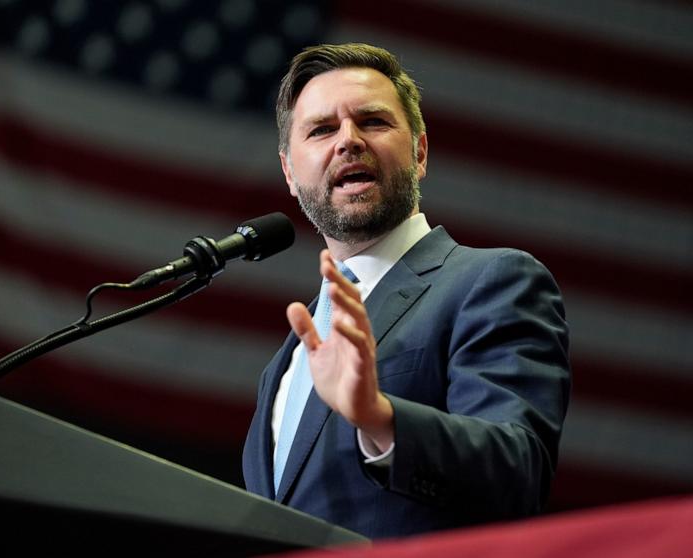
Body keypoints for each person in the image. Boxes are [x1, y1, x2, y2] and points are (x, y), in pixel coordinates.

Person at [242, 43, 570, 540]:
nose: (348, 141)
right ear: (290, 172)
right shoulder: (282, 368)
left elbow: (517, 470)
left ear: (419, 152)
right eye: (322, 129)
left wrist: (379, 417)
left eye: (372, 122)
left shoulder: (491, 281)